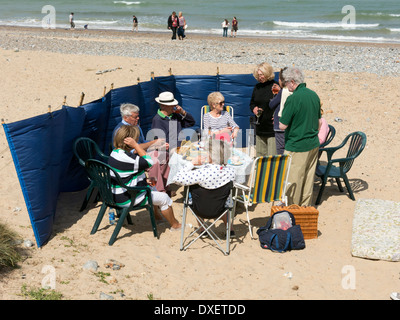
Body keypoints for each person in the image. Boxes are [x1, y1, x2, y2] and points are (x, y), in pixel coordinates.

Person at [109, 125, 181, 231]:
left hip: (116, 192)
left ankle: (157, 216)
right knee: (165, 199)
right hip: (127, 197)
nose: (137, 140)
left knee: (153, 186)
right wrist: (136, 146)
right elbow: (149, 162)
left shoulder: (115, 153)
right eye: (136, 139)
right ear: (129, 141)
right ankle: (175, 225)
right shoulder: (128, 158)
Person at [172, 139, 236, 236]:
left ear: (210, 155)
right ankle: (230, 229)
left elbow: (176, 179)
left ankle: (203, 229)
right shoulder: (231, 173)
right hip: (221, 208)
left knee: (195, 195)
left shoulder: (200, 173)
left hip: (200, 208)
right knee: (224, 199)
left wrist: (192, 163)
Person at [279, 67, 322, 206]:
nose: (285, 85)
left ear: (292, 82)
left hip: (297, 145)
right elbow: (319, 122)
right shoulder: (313, 95)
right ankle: (304, 208)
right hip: (313, 143)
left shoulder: (293, 98)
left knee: (293, 181)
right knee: (308, 181)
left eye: (286, 82)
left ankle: (292, 209)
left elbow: (282, 125)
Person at [112, 103, 171, 194]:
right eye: (135, 117)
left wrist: (157, 146)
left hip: (139, 153)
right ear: (125, 117)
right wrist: (154, 143)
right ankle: (158, 191)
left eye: (138, 116)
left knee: (164, 155)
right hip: (130, 158)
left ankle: (165, 186)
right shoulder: (121, 131)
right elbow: (133, 150)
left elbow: (142, 144)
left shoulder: (136, 126)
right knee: (154, 162)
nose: (138, 118)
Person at [250, 62, 277, 157]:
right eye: (258, 75)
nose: (259, 77)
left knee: (272, 156)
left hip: (272, 128)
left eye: (261, 75)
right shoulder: (257, 87)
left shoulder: (275, 86)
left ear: (267, 73)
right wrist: (254, 108)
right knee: (260, 156)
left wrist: (278, 115)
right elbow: (252, 103)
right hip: (260, 126)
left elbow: (282, 103)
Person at [268, 67, 291, 154]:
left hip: (280, 126)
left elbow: (272, 104)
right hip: (290, 126)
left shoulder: (282, 92)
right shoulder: (293, 91)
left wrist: (275, 95)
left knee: (281, 150)